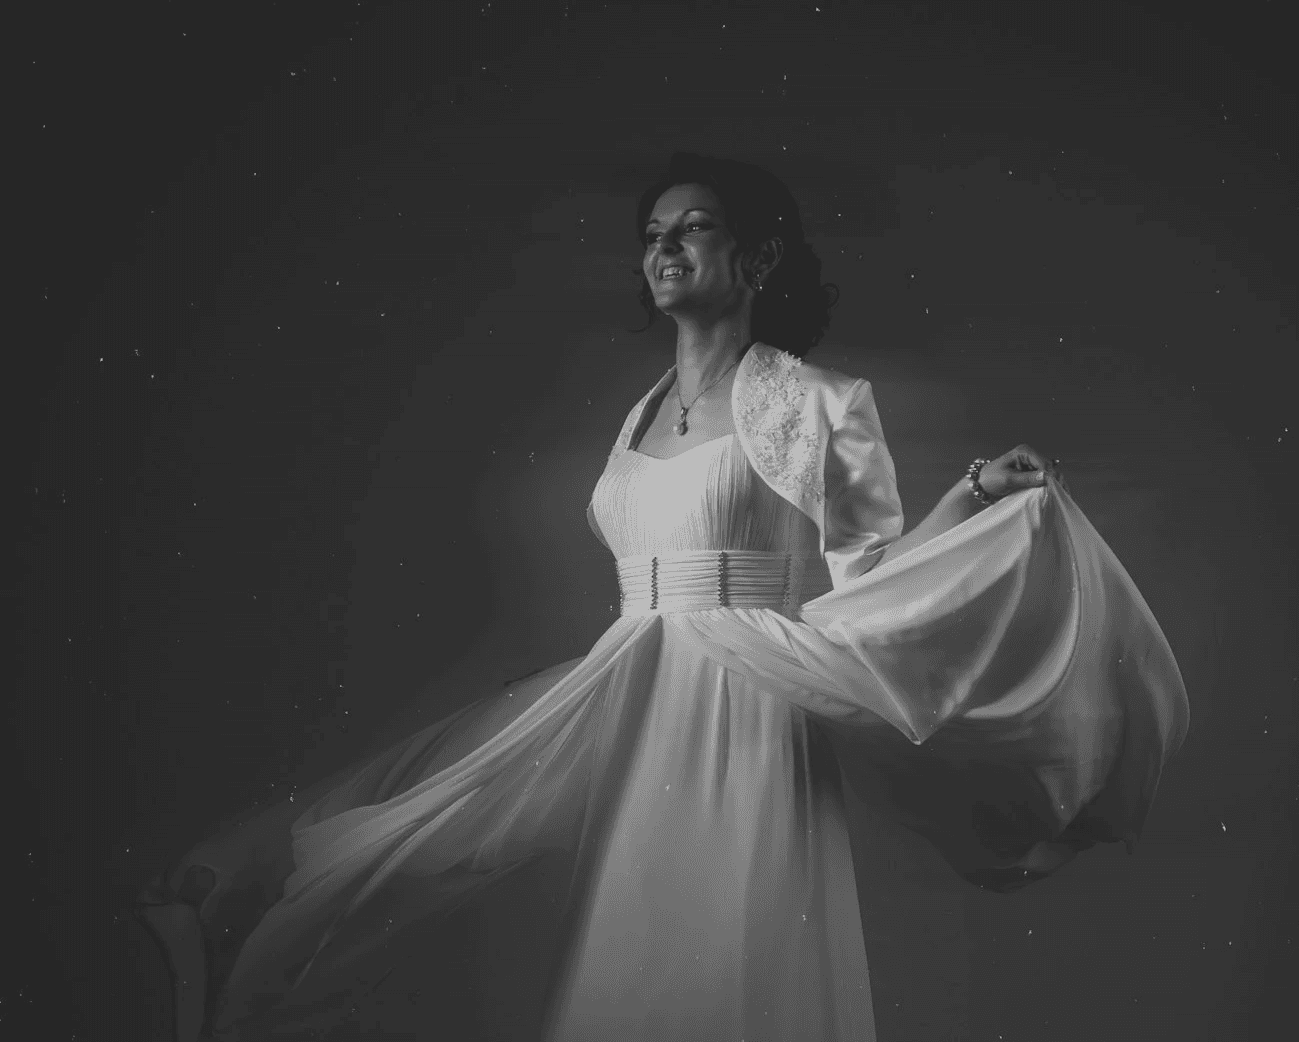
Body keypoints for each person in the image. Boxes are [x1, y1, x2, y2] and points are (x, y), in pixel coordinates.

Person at [134, 151, 1189, 1041]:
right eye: (652, 234)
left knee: (724, 949)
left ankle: (241, 937)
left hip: (743, 705)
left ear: (757, 258)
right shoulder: (636, 414)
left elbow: (871, 582)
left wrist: (968, 496)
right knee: (435, 832)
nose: (665, 248)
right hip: (629, 681)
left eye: (694, 228)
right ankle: (235, 930)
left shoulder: (821, 403)